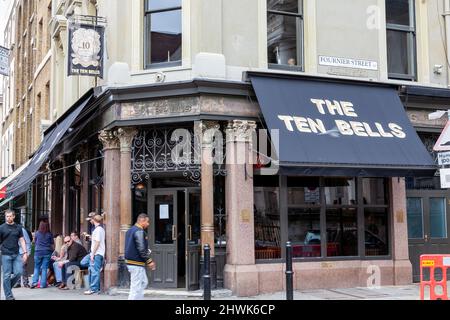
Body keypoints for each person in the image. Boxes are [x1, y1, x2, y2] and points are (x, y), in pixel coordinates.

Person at [124, 213, 156, 300]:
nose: (148, 224)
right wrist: (149, 261)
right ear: (142, 221)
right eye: (147, 222)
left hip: (132, 262)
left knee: (143, 283)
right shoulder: (139, 231)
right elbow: (141, 249)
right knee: (136, 288)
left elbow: (135, 247)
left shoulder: (130, 230)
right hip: (136, 263)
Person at [0, 209, 29, 300]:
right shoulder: (1, 227)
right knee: (6, 275)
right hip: (5, 254)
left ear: (13, 216)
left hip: (16, 254)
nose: (8, 218)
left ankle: (7, 287)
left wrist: (25, 253)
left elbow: (21, 240)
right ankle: (8, 295)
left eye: (10, 216)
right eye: (7, 216)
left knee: (19, 272)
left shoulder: (18, 227)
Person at [84, 214, 106, 295]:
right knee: (93, 270)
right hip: (97, 253)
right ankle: (94, 288)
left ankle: (93, 289)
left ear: (94, 220)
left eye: (91, 219)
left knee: (94, 271)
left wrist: (92, 254)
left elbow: (97, 242)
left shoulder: (98, 230)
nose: (90, 221)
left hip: (97, 253)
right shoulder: (99, 229)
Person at [30, 221, 54, 289]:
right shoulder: (49, 234)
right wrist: (52, 250)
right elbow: (52, 244)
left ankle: (34, 283)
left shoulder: (37, 233)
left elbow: (34, 242)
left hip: (38, 252)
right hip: (47, 252)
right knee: (44, 268)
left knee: (36, 267)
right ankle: (43, 284)